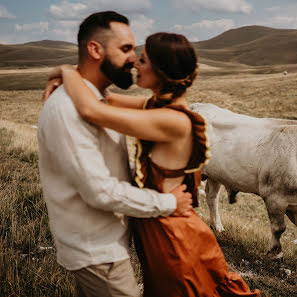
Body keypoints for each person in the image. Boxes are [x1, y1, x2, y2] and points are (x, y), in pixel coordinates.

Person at [45, 30, 260, 296]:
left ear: (161, 71)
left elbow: (94, 110)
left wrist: (67, 72)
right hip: (161, 230)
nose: (135, 62)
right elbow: (104, 99)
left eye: (143, 60)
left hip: (172, 237)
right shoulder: (159, 107)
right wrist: (69, 75)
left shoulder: (172, 120)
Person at [38, 11, 194, 297]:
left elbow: (101, 108)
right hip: (96, 251)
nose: (133, 60)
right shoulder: (68, 109)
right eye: (125, 50)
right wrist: (169, 202)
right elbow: (100, 192)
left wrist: (65, 70)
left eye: (137, 54)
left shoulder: (101, 100)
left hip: (109, 244)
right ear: (95, 50)